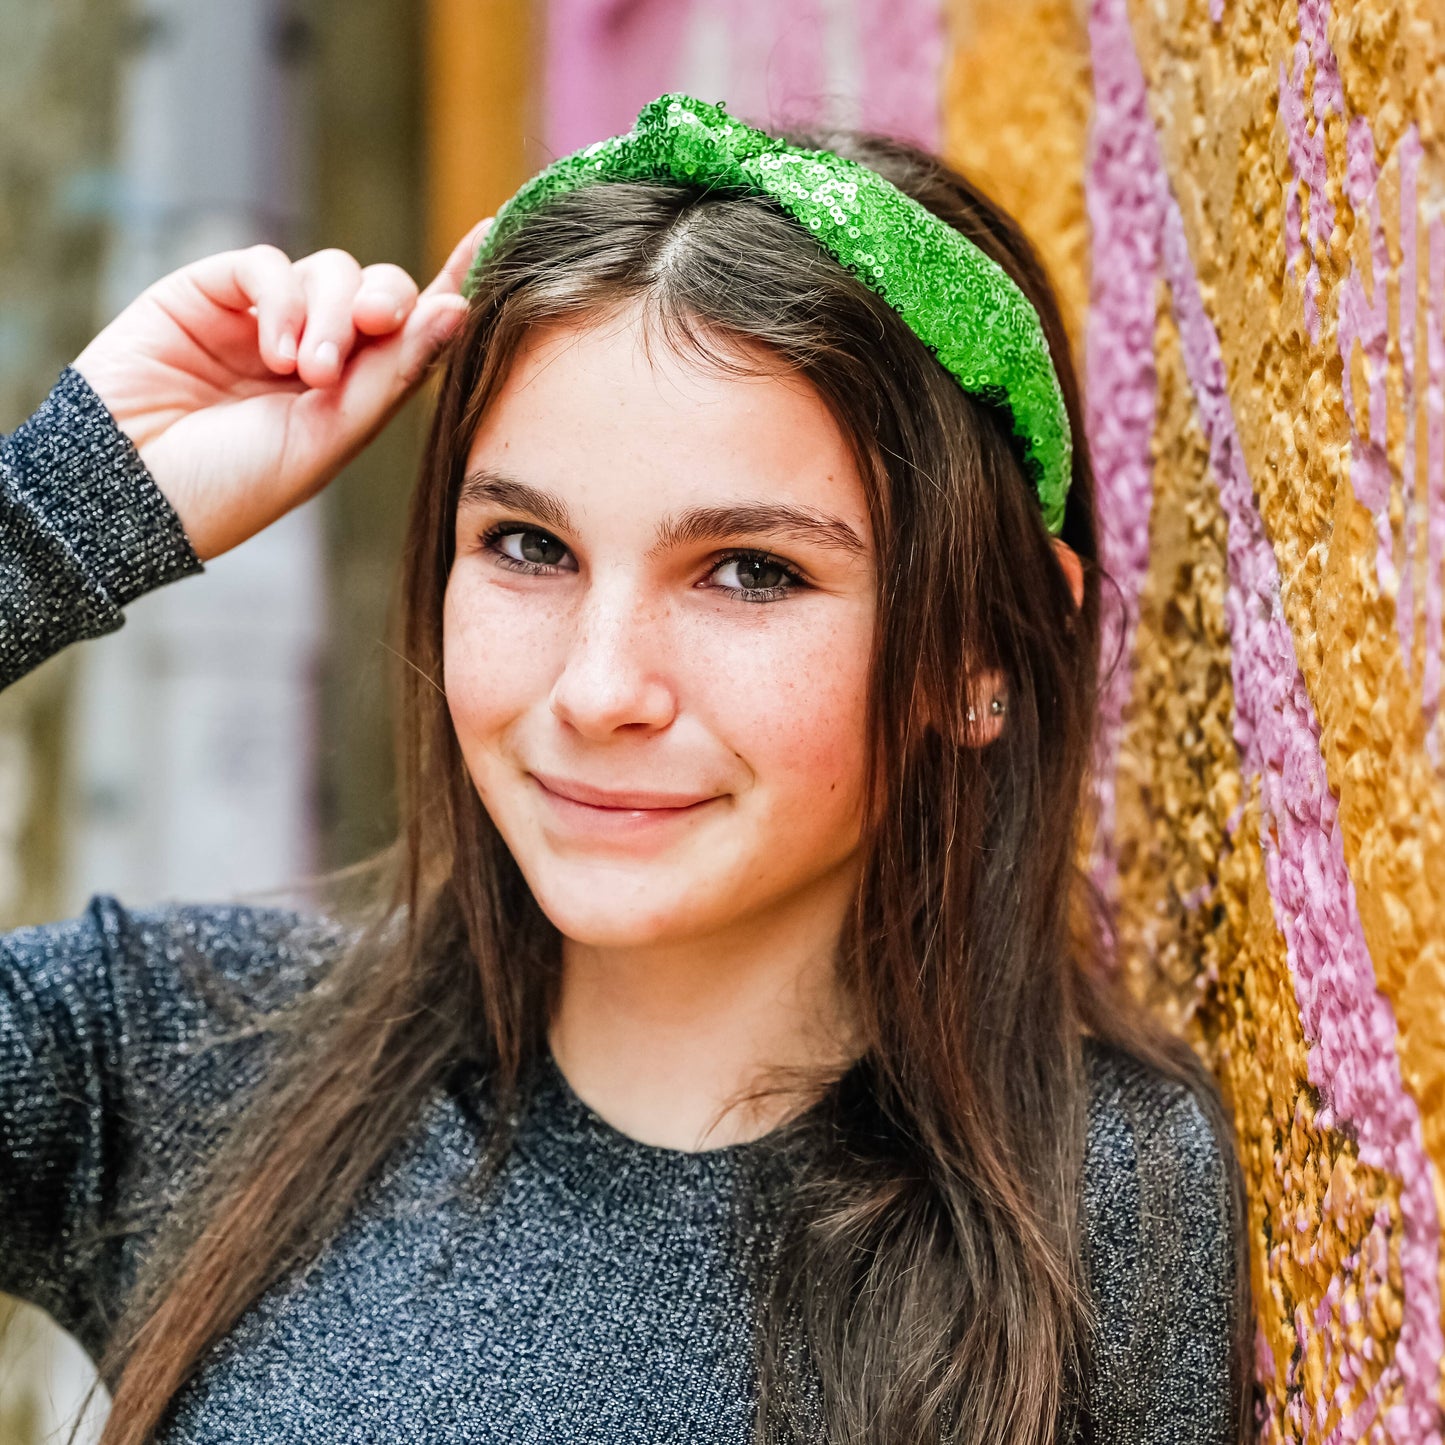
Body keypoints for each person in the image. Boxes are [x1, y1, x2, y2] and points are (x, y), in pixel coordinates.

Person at [0, 96, 1251, 1444]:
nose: (598, 689)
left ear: (976, 656)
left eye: (750, 572)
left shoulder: (1099, 1213)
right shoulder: (194, 1056)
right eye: (528, 546)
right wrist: (61, 512)